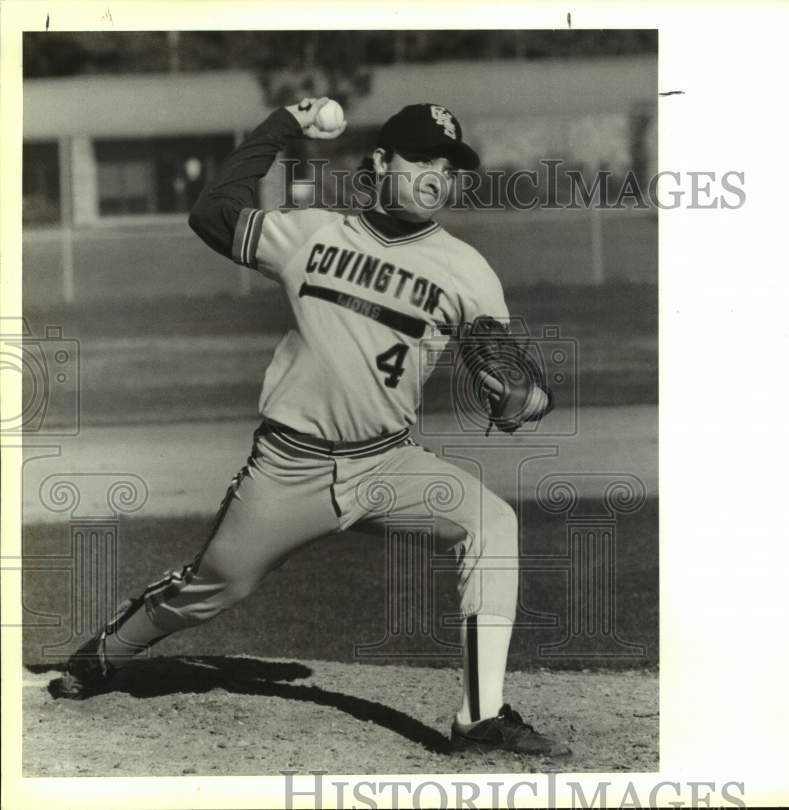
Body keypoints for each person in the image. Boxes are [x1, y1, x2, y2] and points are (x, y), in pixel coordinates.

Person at [56, 97, 568, 757]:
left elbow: (508, 371)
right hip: (288, 468)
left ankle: (480, 714)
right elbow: (211, 211)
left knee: (493, 522)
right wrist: (282, 125)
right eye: (419, 158)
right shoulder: (311, 232)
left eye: (449, 164)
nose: (437, 175)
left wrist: (526, 401)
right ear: (381, 161)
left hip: (388, 466)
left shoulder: (469, 270)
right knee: (213, 586)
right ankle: (106, 653)